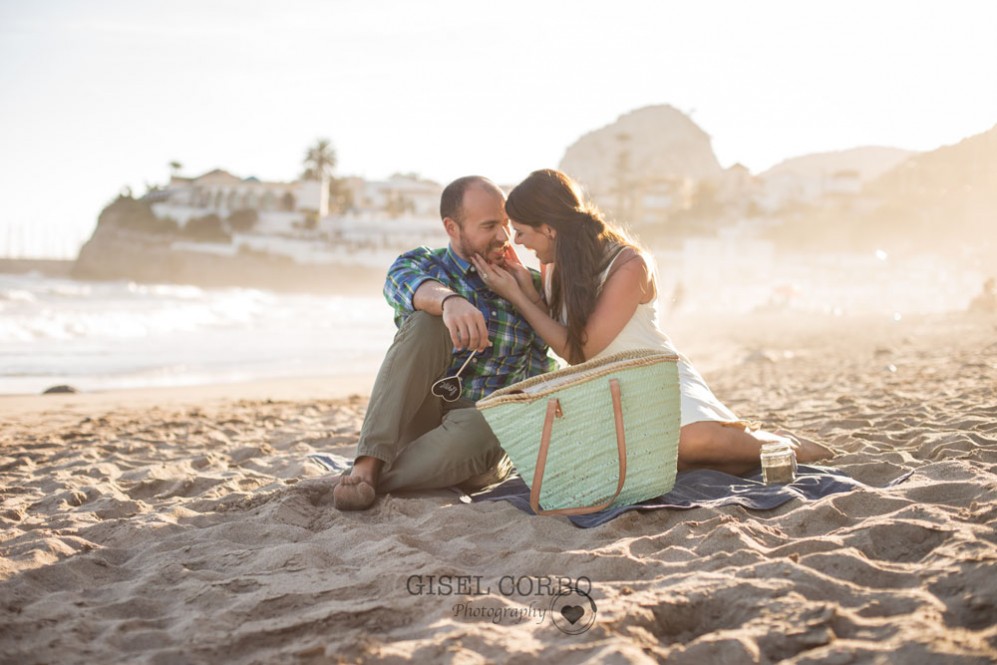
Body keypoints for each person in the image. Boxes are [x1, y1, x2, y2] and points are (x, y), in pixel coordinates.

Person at [470, 169, 833, 475]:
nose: (515, 240)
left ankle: (786, 444)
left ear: (549, 228)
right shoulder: (554, 263)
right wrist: (525, 289)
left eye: (521, 231)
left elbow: (581, 350)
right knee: (656, 459)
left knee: (692, 442)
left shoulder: (629, 264)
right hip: (604, 389)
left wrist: (518, 298)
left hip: (656, 376)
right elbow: (560, 328)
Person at [333, 175, 557, 510]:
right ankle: (366, 464)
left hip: (480, 437)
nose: (502, 236)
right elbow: (402, 284)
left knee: (490, 422)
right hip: (419, 421)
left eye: (506, 224)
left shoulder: (530, 286)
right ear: (452, 228)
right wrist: (449, 301)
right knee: (426, 319)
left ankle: (375, 480)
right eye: (489, 225)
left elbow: (544, 372)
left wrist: (524, 296)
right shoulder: (425, 264)